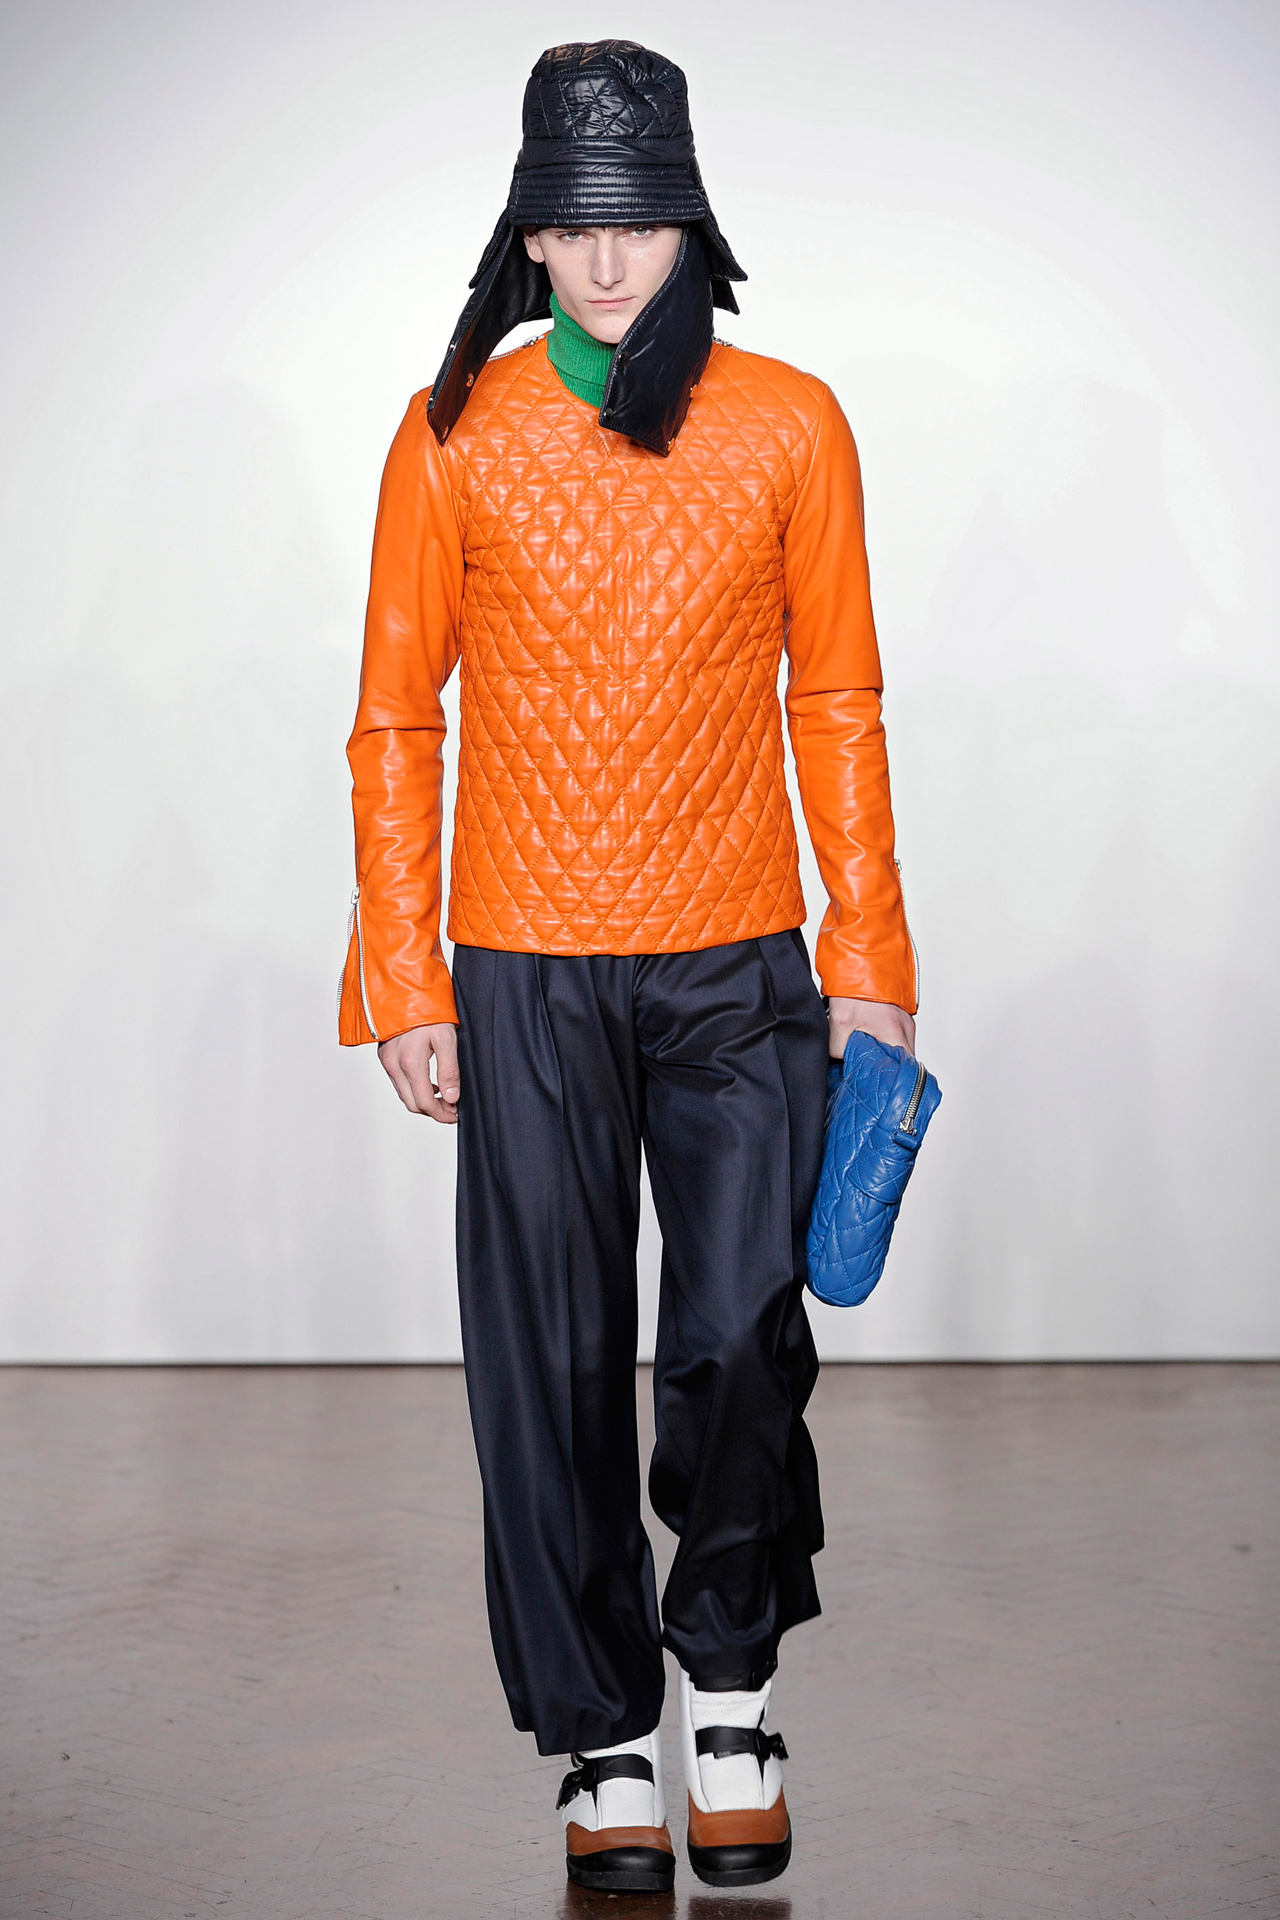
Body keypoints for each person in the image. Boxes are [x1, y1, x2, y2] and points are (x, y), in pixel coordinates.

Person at [338, 39, 917, 1895]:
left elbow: (837, 693)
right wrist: (404, 975)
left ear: (693, 221)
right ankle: (601, 1737)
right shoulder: (453, 432)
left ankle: (731, 1689)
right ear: (527, 230)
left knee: (741, 1335)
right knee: (550, 1359)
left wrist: (870, 952)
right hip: (522, 967)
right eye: (574, 223)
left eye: (640, 218)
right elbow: (394, 719)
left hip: (740, 956)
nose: (606, 261)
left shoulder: (792, 422)